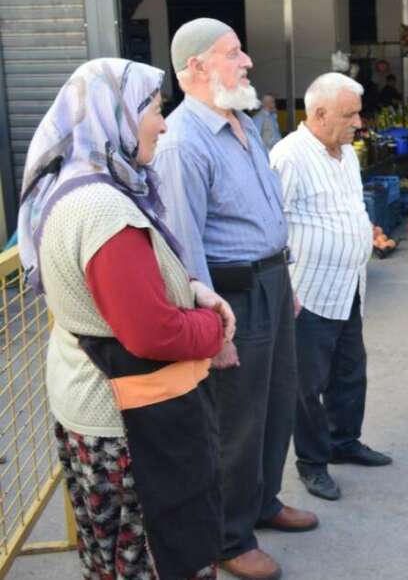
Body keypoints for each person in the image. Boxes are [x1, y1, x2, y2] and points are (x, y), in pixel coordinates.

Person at [19, 58, 235, 579]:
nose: (163, 123)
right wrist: (216, 327)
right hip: (125, 423)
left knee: (108, 553)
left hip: (91, 400)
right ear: (114, 115)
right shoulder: (104, 209)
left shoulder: (73, 185)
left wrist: (190, 289)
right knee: (150, 554)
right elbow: (152, 331)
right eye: (155, 109)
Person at [153, 18, 315, 580]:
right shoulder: (182, 142)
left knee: (276, 402)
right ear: (196, 68)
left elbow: (266, 216)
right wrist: (211, 326)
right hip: (231, 297)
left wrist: (286, 282)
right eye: (232, 53)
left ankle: (263, 502)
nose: (247, 61)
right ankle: (227, 536)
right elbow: (182, 245)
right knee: (236, 420)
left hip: (271, 282)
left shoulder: (241, 123)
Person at [270, 73, 393, 503]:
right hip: (309, 293)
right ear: (318, 114)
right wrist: (285, 291)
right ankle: (312, 462)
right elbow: (272, 227)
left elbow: (350, 208)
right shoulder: (287, 156)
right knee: (308, 384)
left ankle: (345, 442)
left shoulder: (348, 155)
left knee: (349, 373)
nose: (358, 122)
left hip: (349, 287)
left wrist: (366, 232)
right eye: (349, 114)